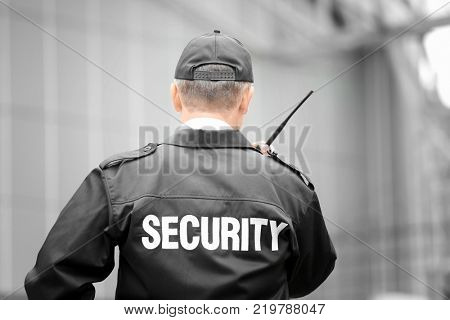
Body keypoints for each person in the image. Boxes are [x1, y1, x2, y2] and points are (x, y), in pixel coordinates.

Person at [25, 30, 336, 299]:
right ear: (246, 100)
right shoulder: (290, 188)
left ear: (175, 95)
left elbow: (52, 281)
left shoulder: (119, 180)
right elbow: (309, 274)